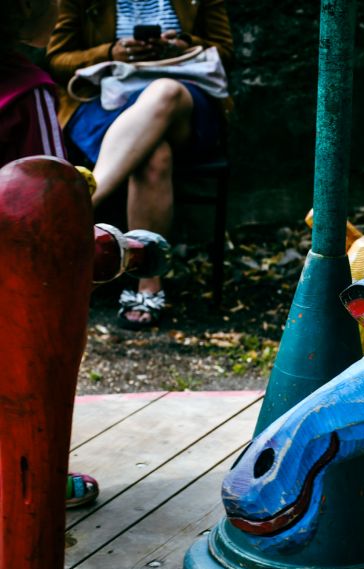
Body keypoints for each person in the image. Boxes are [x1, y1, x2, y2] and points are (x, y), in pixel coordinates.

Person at [45, 0, 234, 329]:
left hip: (184, 103)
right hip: (104, 101)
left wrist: (184, 45)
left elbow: (225, 53)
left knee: (164, 92)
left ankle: (82, 203)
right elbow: (57, 60)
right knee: (154, 154)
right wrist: (111, 53)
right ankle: (148, 280)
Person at [0, 0, 99, 509]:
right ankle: (37, 477)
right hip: (13, 275)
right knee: (31, 376)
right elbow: (49, 191)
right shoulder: (28, 88)